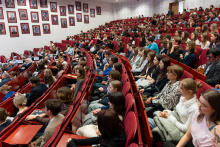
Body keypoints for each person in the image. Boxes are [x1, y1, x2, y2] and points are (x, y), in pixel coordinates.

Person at [150, 79, 202, 145]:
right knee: (151, 124)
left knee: (152, 128)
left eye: (181, 88)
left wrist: (170, 118)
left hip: (179, 129)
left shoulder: (194, 109)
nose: (178, 90)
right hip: (172, 120)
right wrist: (166, 112)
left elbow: (186, 129)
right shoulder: (183, 98)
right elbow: (175, 111)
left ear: (190, 92)